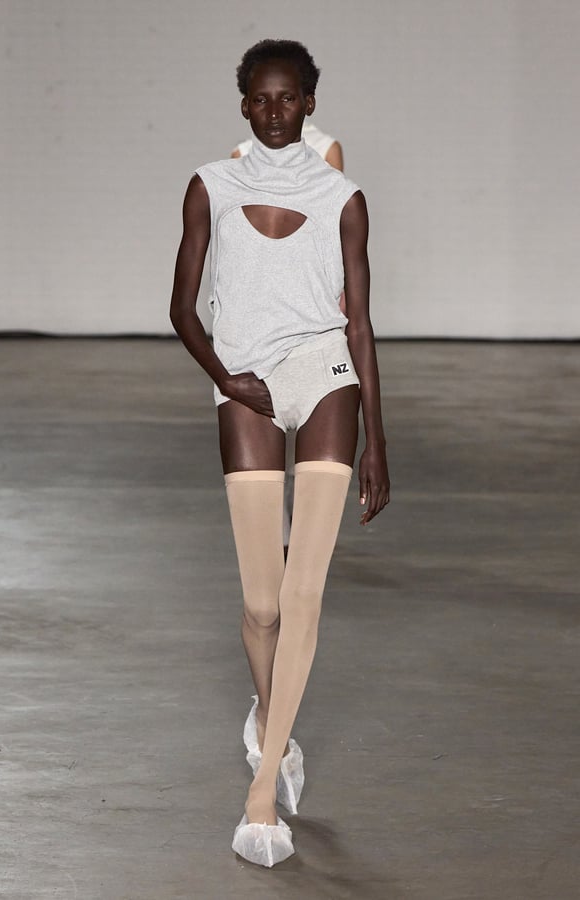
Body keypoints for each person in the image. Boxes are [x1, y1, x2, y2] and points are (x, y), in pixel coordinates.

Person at [169, 38, 390, 868]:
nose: (274, 111)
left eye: (288, 97)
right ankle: (272, 721)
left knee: (304, 593)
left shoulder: (344, 196)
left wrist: (377, 439)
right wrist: (228, 379)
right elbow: (181, 307)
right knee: (262, 605)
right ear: (243, 105)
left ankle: (262, 795)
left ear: (309, 103)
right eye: (260, 98)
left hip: (324, 373)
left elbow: (359, 324)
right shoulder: (211, 185)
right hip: (245, 381)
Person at [230, 122, 346, 551]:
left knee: (307, 443)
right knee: (264, 442)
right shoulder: (241, 155)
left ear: (306, 99)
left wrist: (342, 308)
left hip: (311, 314)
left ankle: (294, 540)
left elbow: (334, 230)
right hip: (259, 321)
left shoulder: (326, 148)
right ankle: (279, 540)